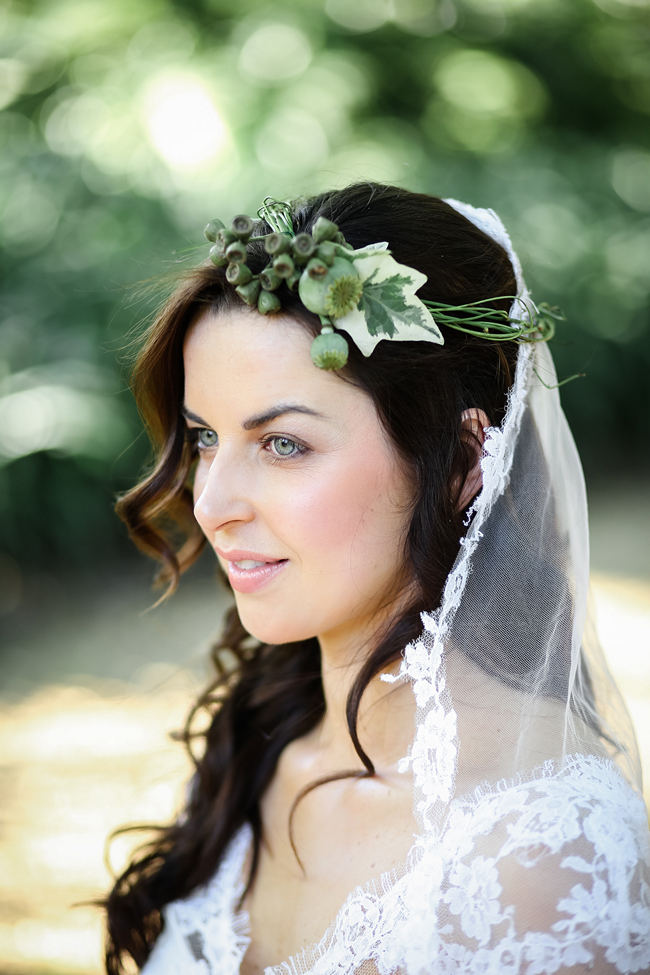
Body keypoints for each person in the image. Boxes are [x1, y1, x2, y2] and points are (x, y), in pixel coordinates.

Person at [104, 183, 650, 975]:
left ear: (463, 460)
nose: (213, 501)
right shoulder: (252, 753)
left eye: (284, 444)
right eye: (204, 438)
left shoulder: (547, 859)